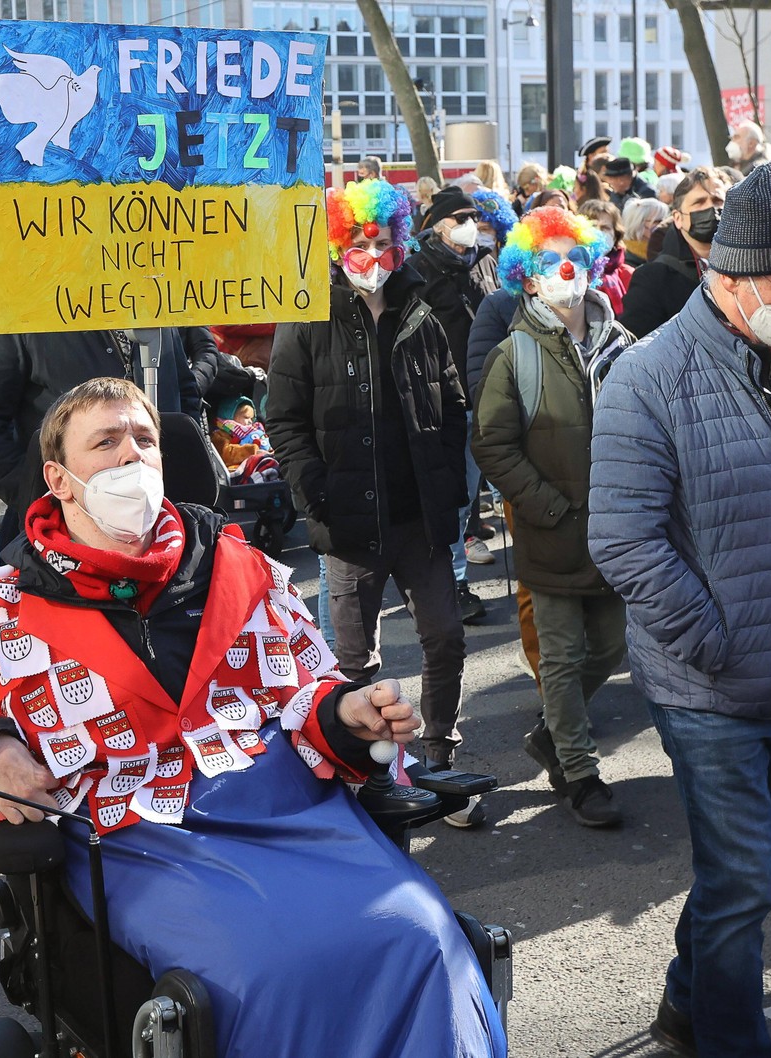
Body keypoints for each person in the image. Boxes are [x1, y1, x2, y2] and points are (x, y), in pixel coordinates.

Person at [0, 377, 507, 1058]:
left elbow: (311, 693)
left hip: (286, 809)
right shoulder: (2, 611)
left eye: (145, 439)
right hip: (134, 836)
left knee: (422, 933)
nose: (132, 455)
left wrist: (349, 713)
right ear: (59, 479)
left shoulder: (244, 571)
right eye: (106, 442)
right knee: (267, 967)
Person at [588, 161, 771, 1057]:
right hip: (710, 687)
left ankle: (685, 1000)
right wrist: (713, 640)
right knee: (745, 882)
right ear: (730, 279)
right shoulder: (649, 377)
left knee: (752, 870)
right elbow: (625, 541)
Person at [266, 180, 479, 825]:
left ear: (399, 240)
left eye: (382, 239)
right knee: (353, 660)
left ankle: (438, 754)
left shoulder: (421, 308)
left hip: (419, 515)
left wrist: (449, 488)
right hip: (349, 520)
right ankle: (374, 769)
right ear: (337, 241)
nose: (371, 250)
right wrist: (316, 494)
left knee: (444, 636)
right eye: (358, 238)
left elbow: (448, 401)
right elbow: (285, 418)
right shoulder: (308, 314)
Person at [471, 207, 632, 827]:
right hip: (553, 529)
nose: (566, 269)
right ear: (528, 279)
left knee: (612, 647)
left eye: (576, 256)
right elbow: (492, 443)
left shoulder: (622, 344)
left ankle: (552, 734)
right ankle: (579, 770)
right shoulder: (514, 354)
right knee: (560, 656)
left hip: (616, 530)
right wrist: (548, 507)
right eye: (548, 260)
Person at [0, 326, 201, 546]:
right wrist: (37, 492)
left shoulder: (153, 295)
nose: (132, 453)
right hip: (61, 530)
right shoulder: (18, 301)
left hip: (166, 525)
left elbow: (184, 392)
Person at [413, 186, 502, 623]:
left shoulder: (485, 262)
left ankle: (453, 579)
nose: (468, 224)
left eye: (472, 216)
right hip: (444, 402)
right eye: (459, 217)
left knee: (473, 496)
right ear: (437, 225)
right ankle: (450, 583)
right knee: (452, 498)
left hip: (490, 395)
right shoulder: (416, 270)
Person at [619, 167, 729, 338]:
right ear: (677, 218)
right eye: (699, 202)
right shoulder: (653, 279)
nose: (711, 209)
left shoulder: (750, 268)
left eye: (717, 200)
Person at [577, 199, 634, 315]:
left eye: (605, 228)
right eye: (592, 226)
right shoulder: (572, 272)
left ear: (615, 236)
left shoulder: (627, 274)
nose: (598, 232)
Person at [622, 198, 670, 266]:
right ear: (638, 223)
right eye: (658, 221)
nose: (664, 225)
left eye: (665, 220)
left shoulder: (666, 249)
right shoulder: (623, 259)